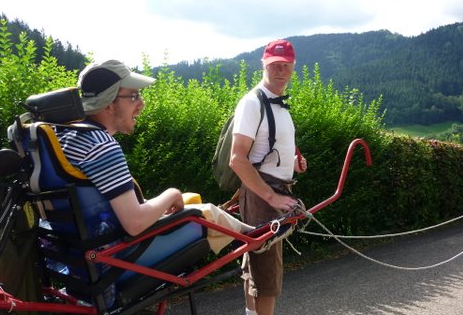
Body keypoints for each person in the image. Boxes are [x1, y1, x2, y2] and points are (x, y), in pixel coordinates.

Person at [56, 59, 252, 250]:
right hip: (118, 254)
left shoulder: (63, 137)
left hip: (79, 250)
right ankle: (253, 236)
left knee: (192, 201)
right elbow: (135, 223)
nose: (142, 103)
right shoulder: (101, 146)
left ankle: (249, 233)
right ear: (109, 103)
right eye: (133, 96)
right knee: (203, 213)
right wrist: (171, 194)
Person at [230, 39, 307, 315]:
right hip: (263, 193)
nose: (281, 71)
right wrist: (272, 196)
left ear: (293, 68)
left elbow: (270, 145)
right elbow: (237, 158)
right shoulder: (253, 102)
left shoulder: (279, 105)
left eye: (286, 66)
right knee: (266, 273)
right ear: (264, 65)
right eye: (275, 65)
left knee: (258, 267)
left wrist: (293, 163)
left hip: (273, 190)